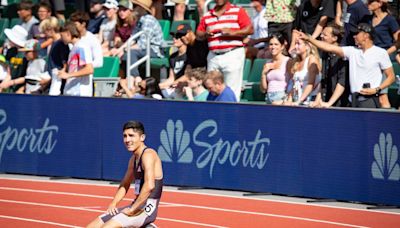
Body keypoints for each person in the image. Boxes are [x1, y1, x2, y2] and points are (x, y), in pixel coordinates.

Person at [297, 23, 395, 108]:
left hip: (370, 100)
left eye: (357, 34)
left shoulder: (380, 53)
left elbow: (391, 77)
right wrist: (309, 39)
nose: (354, 36)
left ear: (365, 36)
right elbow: (329, 47)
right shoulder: (352, 51)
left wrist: (376, 89)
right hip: (353, 100)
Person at [86, 120, 163, 228]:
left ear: (142, 137)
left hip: (147, 209)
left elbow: (150, 186)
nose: (127, 140)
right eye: (125, 136)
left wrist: (132, 209)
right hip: (135, 206)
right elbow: (125, 184)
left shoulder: (149, 154)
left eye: (131, 136)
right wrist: (114, 203)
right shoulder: (133, 159)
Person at [197, 0, 253, 101]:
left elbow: (249, 29)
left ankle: (231, 115)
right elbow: (198, 34)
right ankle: (213, 114)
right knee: (212, 88)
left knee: (232, 89)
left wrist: (232, 32)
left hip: (232, 53)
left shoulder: (237, 11)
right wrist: (206, 34)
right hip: (213, 55)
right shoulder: (208, 14)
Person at [367, 0, 400, 108]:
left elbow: (398, 41)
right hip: (371, 58)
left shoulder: (390, 20)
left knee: (382, 96)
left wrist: (385, 53)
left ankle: (387, 122)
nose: (368, 4)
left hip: (384, 58)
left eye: (371, 2)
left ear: (379, 4)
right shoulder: (368, 19)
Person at [316, 22, 350, 108]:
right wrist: (318, 100)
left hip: (340, 105)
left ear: (335, 38)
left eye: (325, 35)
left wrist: (329, 103)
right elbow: (323, 81)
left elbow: (341, 83)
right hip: (326, 101)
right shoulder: (325, 54)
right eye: (321, 34)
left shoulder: (343, 56)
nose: (321, 36)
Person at [59, 22, 94, 97]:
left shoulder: (81, 47)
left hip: (79, 93)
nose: (61, 39)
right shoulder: (74, 48)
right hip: (72, 92)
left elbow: (89, 69)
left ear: (68, 34)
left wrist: (68, 75)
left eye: (62, 36)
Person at [287, 35, 322, 105]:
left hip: (310, 101)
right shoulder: (296, 62)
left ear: (307, 46)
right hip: (298, 101)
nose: (295, 47)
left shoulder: (312, 59)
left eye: (298, 44)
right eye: (295, 44)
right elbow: (294, 84)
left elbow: (310, 84)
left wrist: (299, 101)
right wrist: (289, 99)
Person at [40, 17, 70, 96]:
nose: (44, 33)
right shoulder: (54, 43)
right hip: (52, 82)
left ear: (50, 29)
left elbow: (64, 66)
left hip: (58, 85)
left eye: (45, 30)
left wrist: (49, 80)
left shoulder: (61, 44)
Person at [260, 33, 292, 105]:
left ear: (282, 46)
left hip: (281, 97)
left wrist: (286, 100)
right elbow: (263, 89)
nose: (273, 47)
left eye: (276, 44)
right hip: (268, 97)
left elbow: (292, 82)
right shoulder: (268, 62)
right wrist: (263, 74)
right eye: (271, 44)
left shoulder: (288, 61)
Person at [159, 23, 188, 98]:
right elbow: (171, 78)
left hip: (186, 87)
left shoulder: (190, 55)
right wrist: (158, 86)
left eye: (177, 37)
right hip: (174, 87)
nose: (174, 39)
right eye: (173, 36)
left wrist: (171, 84)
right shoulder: (173, 57)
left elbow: (188, 76)